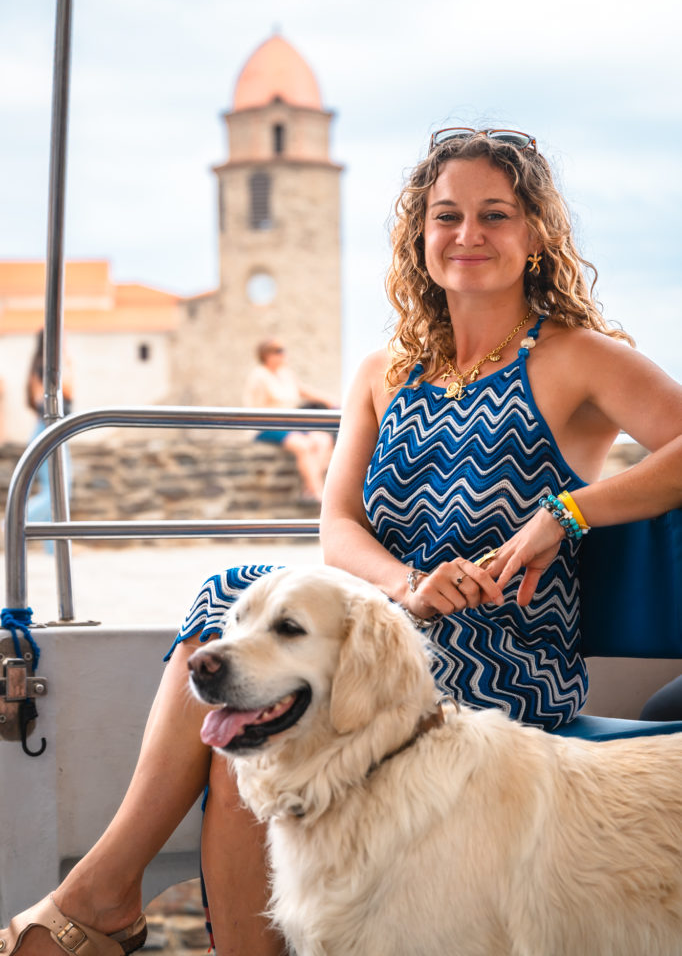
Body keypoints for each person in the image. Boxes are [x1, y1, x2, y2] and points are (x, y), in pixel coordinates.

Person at [3, 127, 681, 956]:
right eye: (447, 216)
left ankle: (101, 897)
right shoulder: (383, 370)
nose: (468, 235)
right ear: (419, 235)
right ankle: (112, 897)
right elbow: (338, 528)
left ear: (535, 234)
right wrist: (404, 584)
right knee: (240, 712)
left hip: (498, 655)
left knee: (239, 666)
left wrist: (569, 512)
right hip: (377, 636)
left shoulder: (576, 358)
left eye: (495, 215)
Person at [243, 339, 337, 502]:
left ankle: (309, 487)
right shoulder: (259, 376)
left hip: (290, 425)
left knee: (323, 440)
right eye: (279, 351)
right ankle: (318, 493)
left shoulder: (286, 374)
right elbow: (255, 407)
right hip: (268, 426)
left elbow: (305, 391)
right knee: (304, 446)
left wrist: (332, 401)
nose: (283, 354)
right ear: (267, 355)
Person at [25, 329, 74, 553]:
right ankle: (16, 522)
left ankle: (52, 547)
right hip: (48, 429)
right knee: (58, 488)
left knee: (55, 488)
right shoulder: (48, 366)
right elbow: (41, 400)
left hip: (50, 430)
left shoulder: (48, 364)